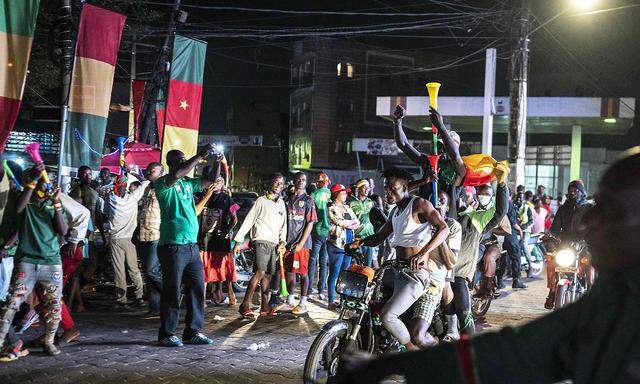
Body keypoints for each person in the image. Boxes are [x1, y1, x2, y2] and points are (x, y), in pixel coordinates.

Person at [338, 149, 640, 384]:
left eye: (609, 210)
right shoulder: (615, 297)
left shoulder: (465, 220)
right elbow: (516, 350)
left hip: (445, 275)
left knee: (464, 310)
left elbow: (496, 213)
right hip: (422, 271)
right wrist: (389, 366)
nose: (589, 221)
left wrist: (500, 185)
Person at [348, 167, 449, 350]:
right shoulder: (395, 212)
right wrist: (360, 242)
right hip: (396, 270)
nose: (388, 191)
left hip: (417, 275)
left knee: (388, 316)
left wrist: (422, 253)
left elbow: (444, 229)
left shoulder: (419, 204)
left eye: (393, 188)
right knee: (367, 293)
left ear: (405, 188)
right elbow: (379, 237)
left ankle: (417, 350)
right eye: (386, 187)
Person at [0, 165, 69, 356]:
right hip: (27, 260)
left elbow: (62, 231)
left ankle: (49, 341)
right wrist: (32, 183)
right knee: (12, 302)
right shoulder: (24, 199)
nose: (46, 185)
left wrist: (56, 203)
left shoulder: (53, 202)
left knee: (54, 305)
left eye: (47, 182)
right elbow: (20, 209)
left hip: (51, 261)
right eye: (42, 181)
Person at [155, 144, 219, 347]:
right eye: (179, 160)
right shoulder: (164, 183)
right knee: (172, 291)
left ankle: (192, 331)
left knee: (197, 289)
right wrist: (200, 155)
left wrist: (217, 160)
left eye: (184, 159)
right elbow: (177, 174)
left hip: (191, 247)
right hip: (172, 246)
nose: (183, 162)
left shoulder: (188, 184)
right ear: (170, 163)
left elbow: (210, 180)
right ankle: (166, 334)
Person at [452, 173, 509, 335]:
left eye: (487, 194)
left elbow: (501, 211)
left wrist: (502, 185)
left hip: (460, 273)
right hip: (442, 273)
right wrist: (459, 180)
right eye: (481, 193)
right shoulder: (454, 215)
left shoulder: (480, 219)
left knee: (464, 314)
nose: (483, 196)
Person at [409, 190, 461, 347]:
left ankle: (453, 330)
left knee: (446, 287)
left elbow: (451, 262)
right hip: (413, 273)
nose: (437, 204)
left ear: (448, 206)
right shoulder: (419, 221)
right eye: (434, 202)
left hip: (436, 277)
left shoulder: (452, 226)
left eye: (442, 202)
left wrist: (441, 233)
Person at [393, 105, 465, 217]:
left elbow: (455, 156)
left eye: (446, 147)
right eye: (440, 145)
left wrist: (440, 126)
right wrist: (397, 121)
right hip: (423, 218)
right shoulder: (428, 162)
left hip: (446, 222)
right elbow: (403, 145)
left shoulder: (460, 170)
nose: (441, 149)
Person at [232, 173, 287, 320]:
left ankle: (264, 307)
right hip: (260, 240)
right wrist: (238, 240)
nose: (278, 186)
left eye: (280, 183)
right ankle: (245, 305)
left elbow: (284, 226)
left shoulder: (281, 203)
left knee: (267, 275)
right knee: (260, 272)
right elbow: (249, 220)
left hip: (273, 243)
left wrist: (283, 241)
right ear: (270, 184)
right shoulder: (261, 201)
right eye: (275, 182)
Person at [104, 172, 149, 308]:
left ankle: (122, 300)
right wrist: (136, 174)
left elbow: (105, 213)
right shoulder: (133, 198)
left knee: (119, 270)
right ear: (126, 186)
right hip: (130, 239)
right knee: (133, 269)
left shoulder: (110, 199)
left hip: (116, 239)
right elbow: (146, 182)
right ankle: (139, 297)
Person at [545, 179, 592, 309]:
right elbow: (555, 228)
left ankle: (591, 292)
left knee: (590, 264)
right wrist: (550, 236)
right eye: (570, 191)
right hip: (565, 245)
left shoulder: (589, 208)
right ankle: (552, 292)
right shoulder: (563, 209)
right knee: (552, 263)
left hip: (584, 244)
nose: (572, 193)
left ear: (582, 192)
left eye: (575, 191)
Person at [199, 175, 239, 306]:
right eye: (214, 181)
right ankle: (203, 298)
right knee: (205, 268)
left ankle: (230, 296)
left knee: (224, 269)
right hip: (205, 239)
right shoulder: (203, 198)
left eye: (219, 181)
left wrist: (227, 230)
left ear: (223, 185)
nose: (216, 184)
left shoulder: (227, 199)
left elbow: (234, 219)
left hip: (221, 240)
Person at [282, 172, 317, 315]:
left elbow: (310, 223)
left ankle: (303, 302)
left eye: (304, 180)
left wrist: (301, 243)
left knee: (302, 273)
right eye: (299, 179)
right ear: (294, 181)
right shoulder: (287, 199)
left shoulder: (308, 200)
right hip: (287, 243)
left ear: (306, 182)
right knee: (290, 271)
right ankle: (290, 300)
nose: (301, 181)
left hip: (302, 244)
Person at [136, 162, 164, 316]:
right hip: (143, 234)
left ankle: (171, 294)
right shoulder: (147, 188)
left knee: (151, 270)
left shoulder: (164, 188)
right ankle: (154, 307)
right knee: (148, 274)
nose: (148, 172)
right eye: (147, 169)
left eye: (152, 170)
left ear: (161, 173)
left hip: (156, 234)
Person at [326, 184, 360, 310]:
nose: (346, 195)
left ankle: (342, 300)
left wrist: (349, 224)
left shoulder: (347, 207)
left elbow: (357, 222)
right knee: (335, 272)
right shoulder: (331, 208)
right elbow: (339, 222)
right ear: (336, 195)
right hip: (337, 244)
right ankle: (330, 300)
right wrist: (350, 224)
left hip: (348, 244)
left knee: (344, 274)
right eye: (343, 193)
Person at [308, 172, 332, 301]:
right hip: (328, 232)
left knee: (312, 261)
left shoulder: (313, 195)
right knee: (324, 262)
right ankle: (321, 290)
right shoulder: (331, 195)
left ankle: (309, 290)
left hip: (315, 231)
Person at [349, 179, 378, 268]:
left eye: (368, 188)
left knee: (367, 266)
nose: (367, 190)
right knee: (356, 266)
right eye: (365, 188)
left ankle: (367, 282)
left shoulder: (371, 203)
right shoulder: (351, 203)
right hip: (356, 239)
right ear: (358, 189)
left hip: (369, 238)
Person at [503, 193, 527, 289]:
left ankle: (499, 280)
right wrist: (520, 229)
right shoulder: (509, 204)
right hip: (509, 234)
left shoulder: (497, 203)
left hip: (499, 235)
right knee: (516, 257)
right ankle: (516, 280)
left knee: (503, 257)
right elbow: (512, 221)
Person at [514, 192, 534, 278]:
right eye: (517, 198)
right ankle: (514, 269)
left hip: (525, 230)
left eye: (520, 198)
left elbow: (531, 221)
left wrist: (523, 226)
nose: (519, 199)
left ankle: (530, 267)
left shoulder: (527, 207)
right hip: (516, 230)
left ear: (523, 199)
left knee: (523, 245)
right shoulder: (513, 207)